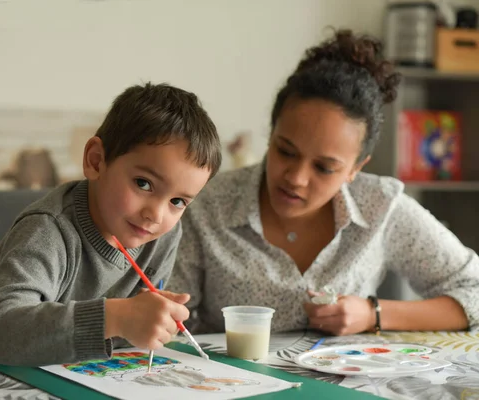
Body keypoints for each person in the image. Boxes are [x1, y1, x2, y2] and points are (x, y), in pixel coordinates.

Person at [167, 30, 479, 336]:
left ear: (356, 168)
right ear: (271, 133)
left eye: (325, 168)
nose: (296, 178)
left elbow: (473, 291)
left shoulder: (380, 205)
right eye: (285, 151)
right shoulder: (206, 205)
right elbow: (166, 317)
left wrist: (374, 313)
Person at [0, 82, 222, 366]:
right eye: (143, 183)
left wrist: (148, 318)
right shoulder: (48, 230)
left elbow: (117, 338)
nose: (156, 215)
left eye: (178, 202)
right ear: (96, 161)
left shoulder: (161, 236)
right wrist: (117, 317)